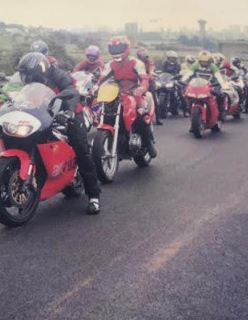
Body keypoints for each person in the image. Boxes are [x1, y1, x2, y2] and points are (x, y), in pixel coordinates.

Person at [17, 52, 102, 214]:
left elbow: (72, 90)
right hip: (46, 114)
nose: (28, 78)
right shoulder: (32, 82)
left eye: (30, 75)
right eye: (25, 75)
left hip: (71, 113)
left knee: (81, 150)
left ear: (40, 70)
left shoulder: (58, 74)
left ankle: (94, 196)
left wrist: (69, 110)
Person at [97, 36, 158, 157]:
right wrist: (94, 88)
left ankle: (149, 143)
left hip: (134, 93)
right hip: (117, 94)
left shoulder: (136, 63)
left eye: (119, 48)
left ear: (126, 48)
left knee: (142, 115)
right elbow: (101, 79)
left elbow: (144, 78)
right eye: (113, 48)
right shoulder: (110, 64)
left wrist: (141, 88)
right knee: (103, 111)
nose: (116, 51)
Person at [188, 50, 227, 122]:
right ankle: (188, 109)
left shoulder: (213, 67)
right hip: (198, 86)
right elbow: (189, 75)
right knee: (187, 95)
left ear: (209, 61)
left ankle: (222, 112)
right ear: (199, 61)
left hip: (211, 86)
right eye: (202, 61)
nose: (204, 63)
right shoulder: (195, 67)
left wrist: (221, 84)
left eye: (205, 61)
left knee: (220, 94)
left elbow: (218, 77)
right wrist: (184, 81)